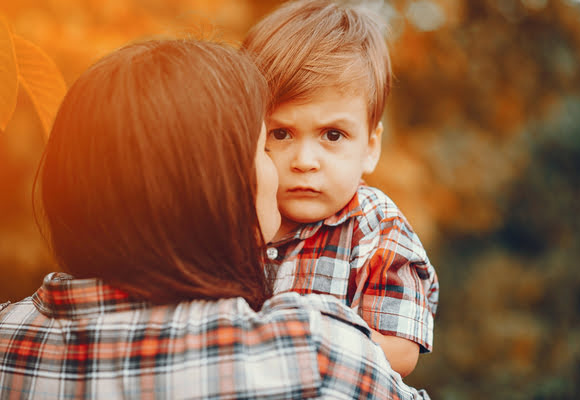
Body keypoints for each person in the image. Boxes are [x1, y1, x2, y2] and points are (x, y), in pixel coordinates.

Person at [0, 39, 429, 399]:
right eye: (270, 142)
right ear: (211, 184)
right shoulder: (316, 357)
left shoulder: (8, 339)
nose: (293, 165)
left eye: (332, 135)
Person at [242, 0, 439, 377]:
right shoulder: (233, 213)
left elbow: (400, 351)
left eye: (332, 135)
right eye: (280, 133)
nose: (304, 160)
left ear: (370, 148)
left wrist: (298, 341)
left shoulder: (377, 227)